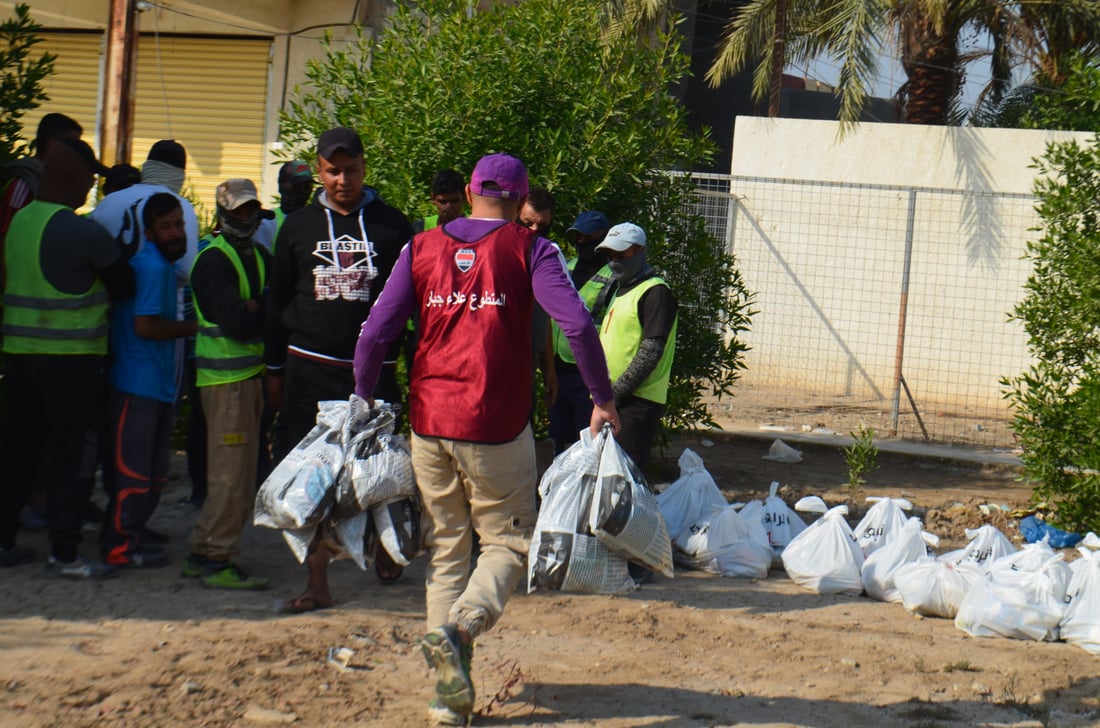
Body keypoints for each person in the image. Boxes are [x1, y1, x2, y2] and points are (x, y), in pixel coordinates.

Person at [352, 152, 620, 725]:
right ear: (520, 199)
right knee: (507, 544)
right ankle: (463, 625)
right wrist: (602, 397)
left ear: (471, 192)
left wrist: (363, 394)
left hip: (429, 422)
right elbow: (576, 324)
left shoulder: (421, 247)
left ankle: (447, 699)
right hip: (495, 423)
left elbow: (376, 331)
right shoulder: (531, 249)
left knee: (447, 548)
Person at [264, 127, 413, 611]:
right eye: (332, 171)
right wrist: (273, 369)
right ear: (319, 171)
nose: (342, 180)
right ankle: (317, 582)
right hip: (309, 368)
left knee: (382, 468)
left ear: (365, 168)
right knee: (310, 477)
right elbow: (277, 301)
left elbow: (414, 302)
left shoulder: (394, 227)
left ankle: (386, 551)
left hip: (376, 370)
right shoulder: (297, 226)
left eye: (351, 170)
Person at [0, 137, 134, 578]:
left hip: (19, 356)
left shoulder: (20, 221)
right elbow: (125, 283)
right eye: (89, 176)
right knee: (69, 460)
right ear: (69, 177)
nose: (92, 185)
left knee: (17, 453)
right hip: (71, 361)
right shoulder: (79, 231)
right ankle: (66, 554)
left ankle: (4, 541)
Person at [183, 179, 271, 590]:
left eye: (250, 209)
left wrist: (257, 307)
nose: (246, 217)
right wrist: (260, 309)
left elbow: (270, 307)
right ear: (223, 213)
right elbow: (236, 323)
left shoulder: (257, 256)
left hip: (245, 377)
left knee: (235, 471)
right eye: (238, 210)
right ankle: (218, 557)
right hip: (225, 381)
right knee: (230, 475)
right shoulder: (213, 261)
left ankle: (203, 549)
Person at [101, 193, 197, 568]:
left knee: (153, 474)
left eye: (178, 224)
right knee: (135, 474)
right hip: (135, 386)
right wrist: (195, 328)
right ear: (149, 232)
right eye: (165, 226)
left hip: (154, 385)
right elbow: (145, 326)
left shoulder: (161, 266)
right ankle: (120, 547)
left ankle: (134, 534)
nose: (175, 233)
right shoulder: (153, 267)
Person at [596, 222, 678, 472]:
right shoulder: (620, 289)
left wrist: (615, 394)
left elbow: (651, 351)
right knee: (604, 476)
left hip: (636, 402)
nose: (614, 262)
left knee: (622, 477)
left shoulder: (655, 293)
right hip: (611, 399)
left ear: (641, 252)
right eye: (610, 255)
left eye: (621, 255)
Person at [548, 210, 615, 452]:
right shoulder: (566, 267)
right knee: (557, 438)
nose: (582, 242)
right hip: (558, 368)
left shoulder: (613, 276)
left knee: (586, 442)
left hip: (587, 372)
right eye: (577, 236)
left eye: (588, 237)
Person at [254, 160, 314, 249]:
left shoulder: (315, 221)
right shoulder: (267, 223)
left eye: (306, 187)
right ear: (281, 187)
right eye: (296, 186)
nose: (302, 192)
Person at [413, 168, 465, 233]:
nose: (448, 207)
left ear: (464, 198)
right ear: (433, 198)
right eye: (443, 202)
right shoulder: (420, 228)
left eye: (454, 201)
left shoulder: (474, 226)